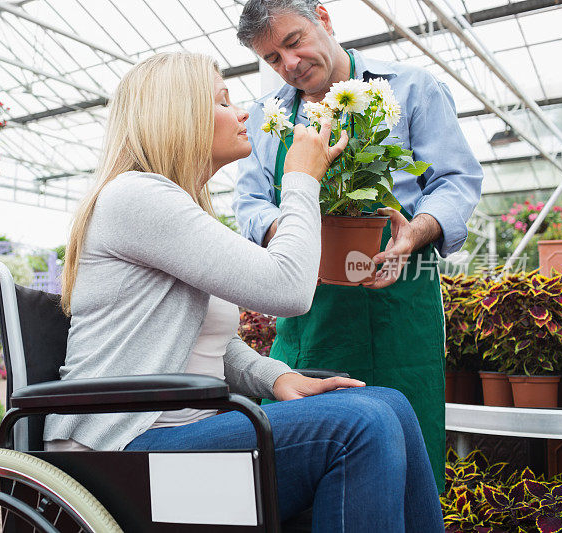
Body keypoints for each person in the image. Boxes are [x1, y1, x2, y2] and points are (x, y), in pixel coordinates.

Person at [43, 51, 444, 531]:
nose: (245, 114)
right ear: (178, 115)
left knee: (391, 405)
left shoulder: (172, 206)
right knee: (362, 425)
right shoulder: (137, 198)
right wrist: (300, 179)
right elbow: (289, 290)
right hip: (121, 452)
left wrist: (275, 377)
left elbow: (203, 343)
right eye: (222, 101)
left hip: (177, 435)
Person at [233, 0, 483, 492]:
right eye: (271, 58)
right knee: (303, 463)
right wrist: (292, 231)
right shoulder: (268, 117)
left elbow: (456, 181)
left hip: (400, 304)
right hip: (309, 312)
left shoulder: (410, 88)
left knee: (406, 459)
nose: (289, 64)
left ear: (323, 19)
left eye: (293, 41)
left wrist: (417, 229)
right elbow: (249, 203)